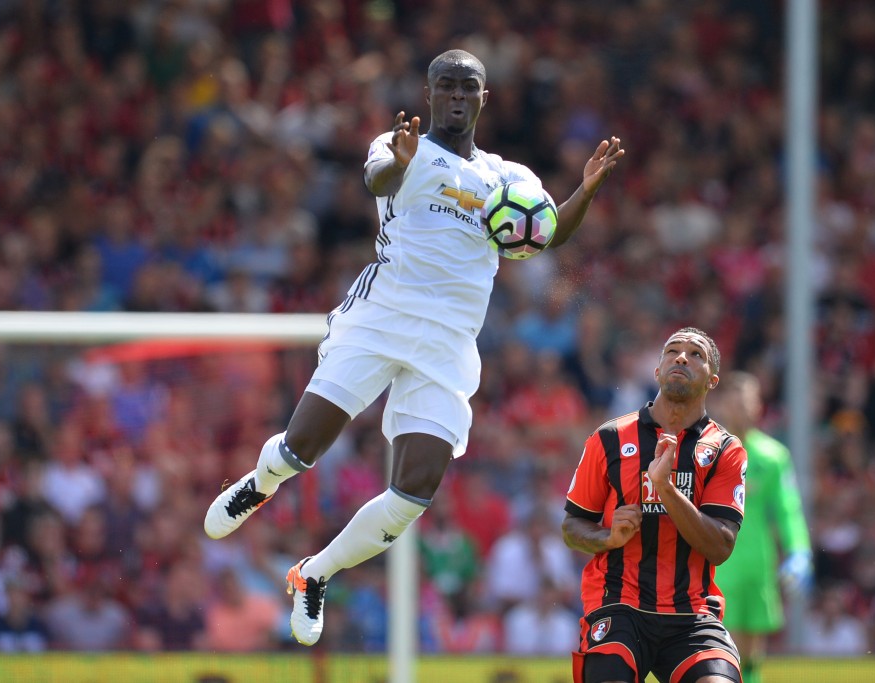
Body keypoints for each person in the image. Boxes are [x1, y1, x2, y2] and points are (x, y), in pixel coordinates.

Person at [203, 48, 625, 647]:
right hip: (381, 319)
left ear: (485, 99)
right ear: (429, 94)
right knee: (304, 449)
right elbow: (376, 178)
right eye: (446, 86)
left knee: (413, 494)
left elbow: (544, 234)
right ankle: (261, 483)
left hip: (448, 344)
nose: (456, 96)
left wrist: (583, 191)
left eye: (467, 87)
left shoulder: (508, 179)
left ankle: (315, 572)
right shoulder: (399, 146)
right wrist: (398, 164)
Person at [563, 327, 748, 683]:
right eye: (672, 351)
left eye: (696, 354)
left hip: (692, 615)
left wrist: (665, 488)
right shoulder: (609, 438)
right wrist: (606, 538)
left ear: (712, 380)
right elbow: (572, 527)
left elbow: (720, 546)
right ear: (657, 371)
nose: (681, 357)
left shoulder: (725, 449)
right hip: (619, 604)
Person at [709, 371, 813, 683]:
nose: (741, 408)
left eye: (748, 401)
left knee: (753, 651)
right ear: (723, 405)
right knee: (724, 648)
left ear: (758, 406)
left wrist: (799, 551)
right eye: (735, 401)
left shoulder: (773, 457)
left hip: (759, 565)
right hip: (720, 565)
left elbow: (788, 510)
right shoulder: (708, 452)